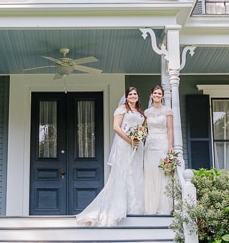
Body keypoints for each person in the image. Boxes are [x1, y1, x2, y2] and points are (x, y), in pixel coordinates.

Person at [75, 86, 146, 226]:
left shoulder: (140, 112)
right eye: (130, 94)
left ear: (138, 96)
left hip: (137, 146)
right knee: (123, 174)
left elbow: (142, 128)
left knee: (136, 175)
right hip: (125, 145)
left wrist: (138, 138)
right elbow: (116, 127)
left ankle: (135, 208)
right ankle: (117, 209)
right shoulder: (121, 109)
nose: (133, 96)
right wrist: (130, 140)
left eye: (135, 94)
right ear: (126, 97)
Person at [143, 84, 175, 215]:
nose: (157, 95)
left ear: (162, 96)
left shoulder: (167, 111)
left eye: (159, 94)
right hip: (150, 144)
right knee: (150, 173)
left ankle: (163, 207)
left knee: (162, 173)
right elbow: (144, 130)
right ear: (151, 95)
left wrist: (170, 146)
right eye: (155, 93)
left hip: (162, 143)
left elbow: (170, 129)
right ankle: (151, 207)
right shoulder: (146, 112)